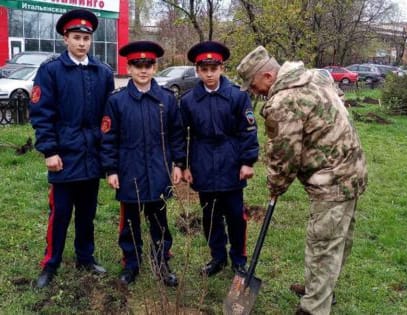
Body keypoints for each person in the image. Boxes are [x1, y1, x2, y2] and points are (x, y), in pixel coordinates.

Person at [236, 46, 368, 315]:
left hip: (332, 181)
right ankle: (318, 289)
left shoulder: (284, 101)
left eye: (254, 84)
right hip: (353, 171)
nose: (255, 91)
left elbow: (285, 156)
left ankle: (313, 308)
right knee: (337, 242)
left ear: (268, 76)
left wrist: (275, 187)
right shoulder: (314, 77)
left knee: (323, 246)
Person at [29, 9, 115, 289]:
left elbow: (107, 117)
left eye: (86, 38)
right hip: (64, 156)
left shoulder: (102, 72)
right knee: (61, 212)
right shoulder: (51, 70)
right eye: (76, 37)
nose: (81, 43)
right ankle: (50, 263)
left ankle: (85, 257)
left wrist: (107, 153)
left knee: (87, 213)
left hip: (92, 155)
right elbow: (42, 114)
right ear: (65, 39)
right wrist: (49, 150)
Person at [100, 41, 185, 287]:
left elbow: (176, 135)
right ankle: (131, 264)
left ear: (155, 67)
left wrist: (178, 164)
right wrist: (111, 169)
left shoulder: (167, 100)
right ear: (129, 68)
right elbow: (108, 138)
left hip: (159, 170)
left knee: (159, 220)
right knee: (130, 223)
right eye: (138, 65)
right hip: (129, 171)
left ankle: (161, 261)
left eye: (148, 65)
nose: (143, 70)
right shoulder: (117, 101)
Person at [180, 41, 259, 277]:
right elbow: (182, 135)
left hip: (231, 164)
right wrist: (184, 165)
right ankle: (217, 257)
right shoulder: (188, 100)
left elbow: (248, 131)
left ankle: (238, 259)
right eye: (204, 69)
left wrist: (247, 161)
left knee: (236, 215)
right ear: (197, 70)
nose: (209, 74)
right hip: (202, 162)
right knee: (210, 215)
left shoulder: (237, 96)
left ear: (221, 68)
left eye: (213, 68)